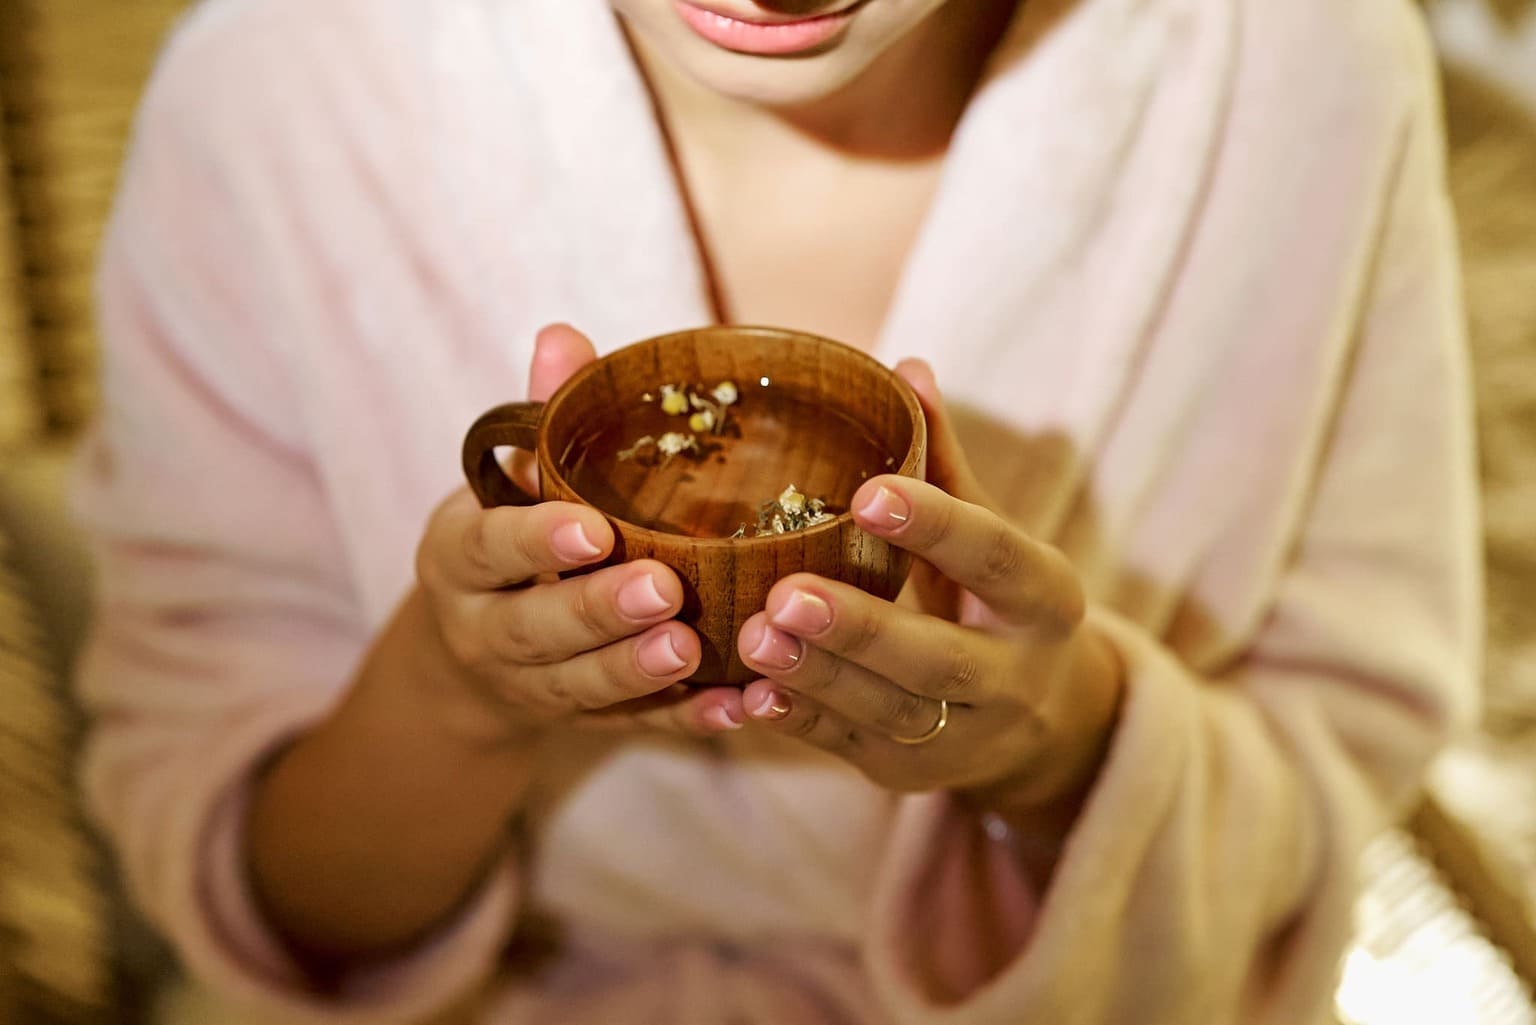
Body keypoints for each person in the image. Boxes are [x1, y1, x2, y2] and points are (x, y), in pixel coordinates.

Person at [73, 0, 1481, 1022]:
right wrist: (455, 693)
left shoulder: (1298, 66)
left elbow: (1334, 771)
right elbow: (268, 897)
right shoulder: (273, 90)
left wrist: (1061, 748)